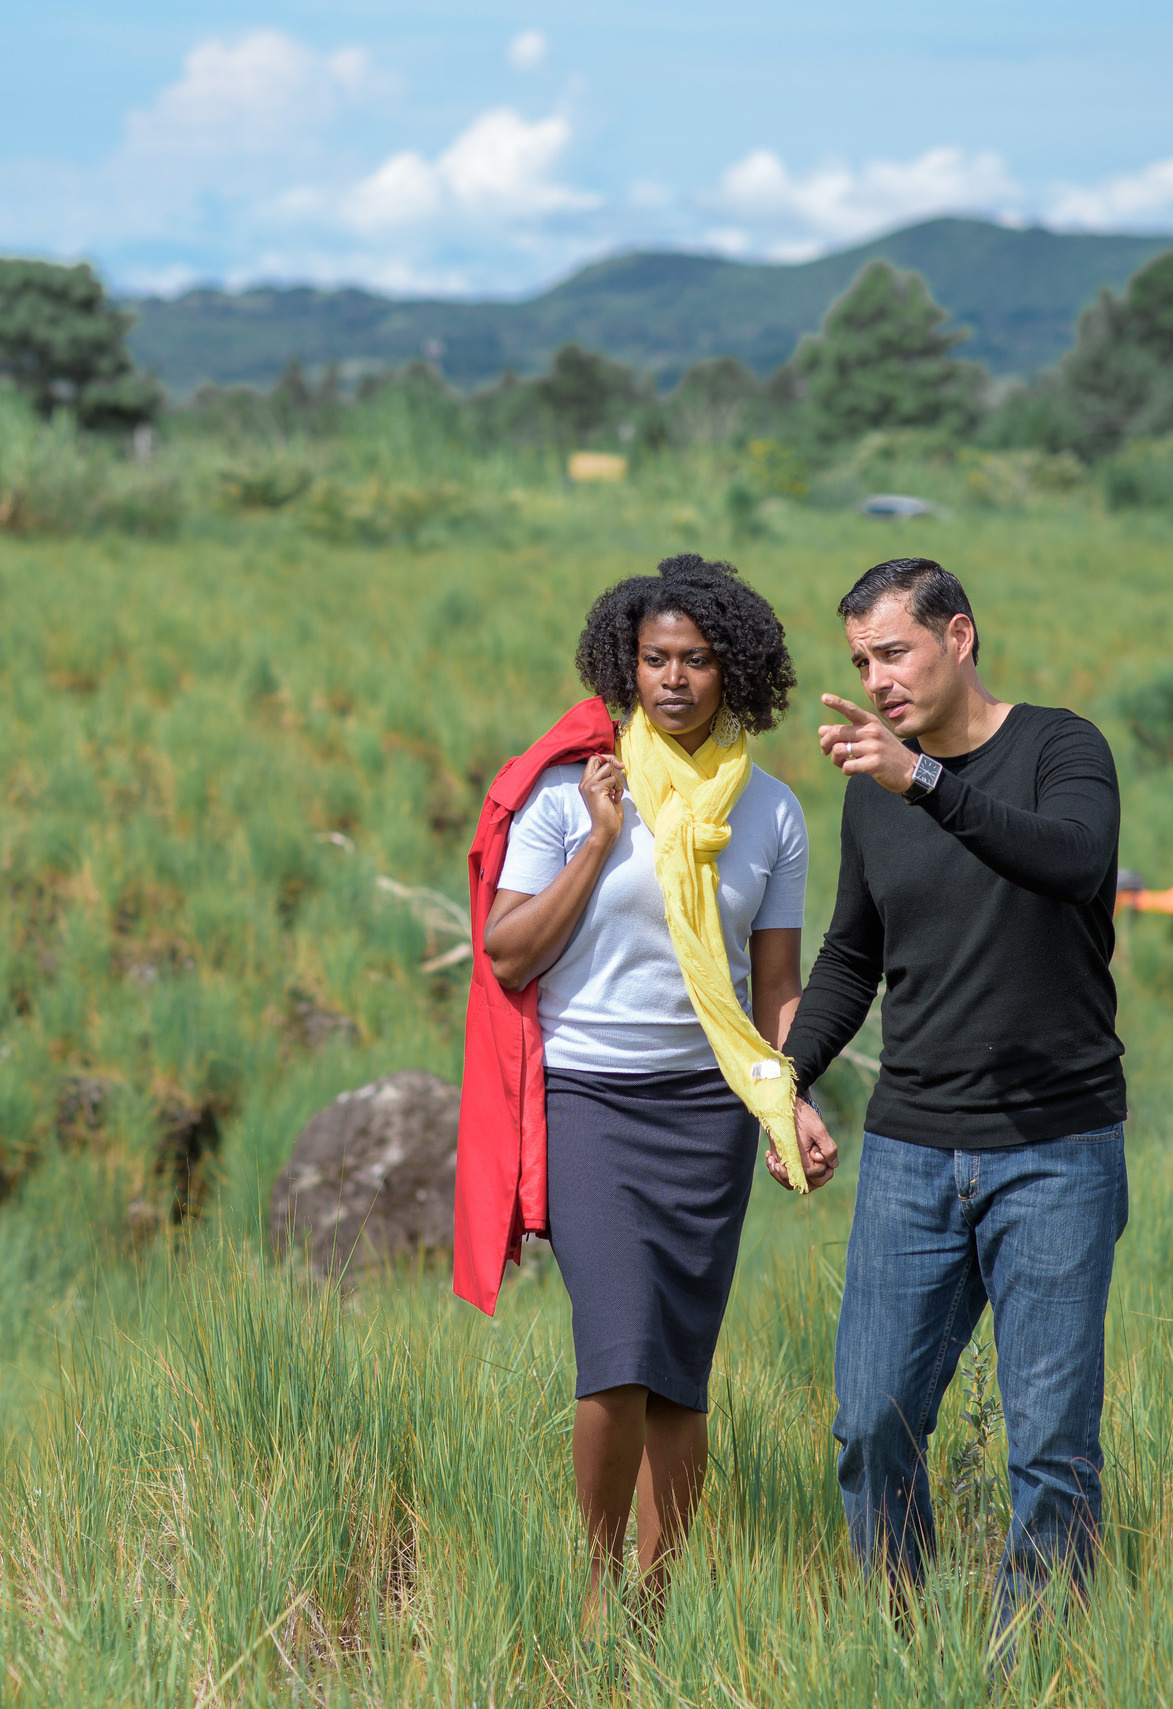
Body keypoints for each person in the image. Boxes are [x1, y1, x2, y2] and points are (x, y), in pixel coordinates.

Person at [454, 553, 837, 1625]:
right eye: (653, 658)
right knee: (616, 1351)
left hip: (706, 1111)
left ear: (734, 670)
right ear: (624, 664)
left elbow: (776, 989)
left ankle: (654, 1606)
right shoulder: (567, 793)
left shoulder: (768, 813)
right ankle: (590, 1583)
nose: (672, 678)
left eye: (696, 659)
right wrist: (602, 840)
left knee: (677, 1371)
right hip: (587, 1100)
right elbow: (508, 952)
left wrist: (789, 1095)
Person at [780, 556, 1128, 1643]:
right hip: (912, 1152)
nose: (876, 679)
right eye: (860, 661)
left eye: (893, 651)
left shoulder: (1059, 748)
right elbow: (848, 956)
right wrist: (779, 1076)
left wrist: (920, 780)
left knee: (1050, 1445)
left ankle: (1034, 1659)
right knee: (870, 1424)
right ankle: (901, 1649)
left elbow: (1071, 860)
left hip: (1055, 1148)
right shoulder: (869, 790)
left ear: (959, 635)